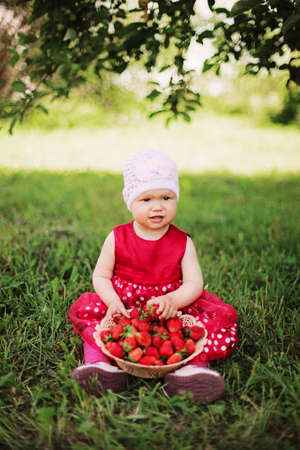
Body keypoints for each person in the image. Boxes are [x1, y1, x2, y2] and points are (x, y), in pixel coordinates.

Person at [68, 149, 238, 402]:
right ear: (130, 202)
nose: (158, 206)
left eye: (166, 197)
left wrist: (174, 301)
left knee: (199, 327)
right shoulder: (117, 237)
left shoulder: (183, 242)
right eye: (146, 199)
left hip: (171, 310)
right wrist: (113, 301)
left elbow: (194, 283)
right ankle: (99, 365)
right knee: (95, 322)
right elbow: (101, 276)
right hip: (123, 308)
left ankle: (194, 371)